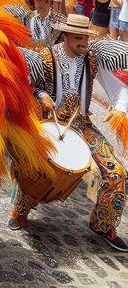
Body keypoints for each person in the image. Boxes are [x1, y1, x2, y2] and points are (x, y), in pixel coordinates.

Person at [11, 15, 128, 252]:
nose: (83, 42)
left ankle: (103, 224)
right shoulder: (44, 58)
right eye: (78, 38)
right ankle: (20, 209)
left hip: (82, 125)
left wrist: (119, 110)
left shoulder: (93, 59)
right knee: (35, 165)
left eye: (86, 37)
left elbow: (119, 91)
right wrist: (40, 95)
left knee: (116, 173)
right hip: (49, 122)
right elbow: (26, 86)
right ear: (65, 36)